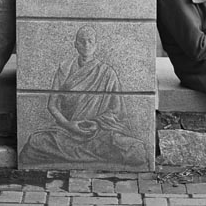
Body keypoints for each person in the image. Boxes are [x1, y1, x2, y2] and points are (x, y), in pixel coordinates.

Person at [18, 26, 147, 167]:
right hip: (67, 130)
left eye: (90, 41)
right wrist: (68, 124)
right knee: (35, 142)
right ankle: (90, 155)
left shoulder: (107, 73)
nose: (86, 45)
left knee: (136, 150)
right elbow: (52, 105)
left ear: (96, 45)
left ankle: (78, 153)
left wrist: (96, 123)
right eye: (82, 41)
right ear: (75, 44)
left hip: (98, 131)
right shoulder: (65, 69)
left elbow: (117, 111)